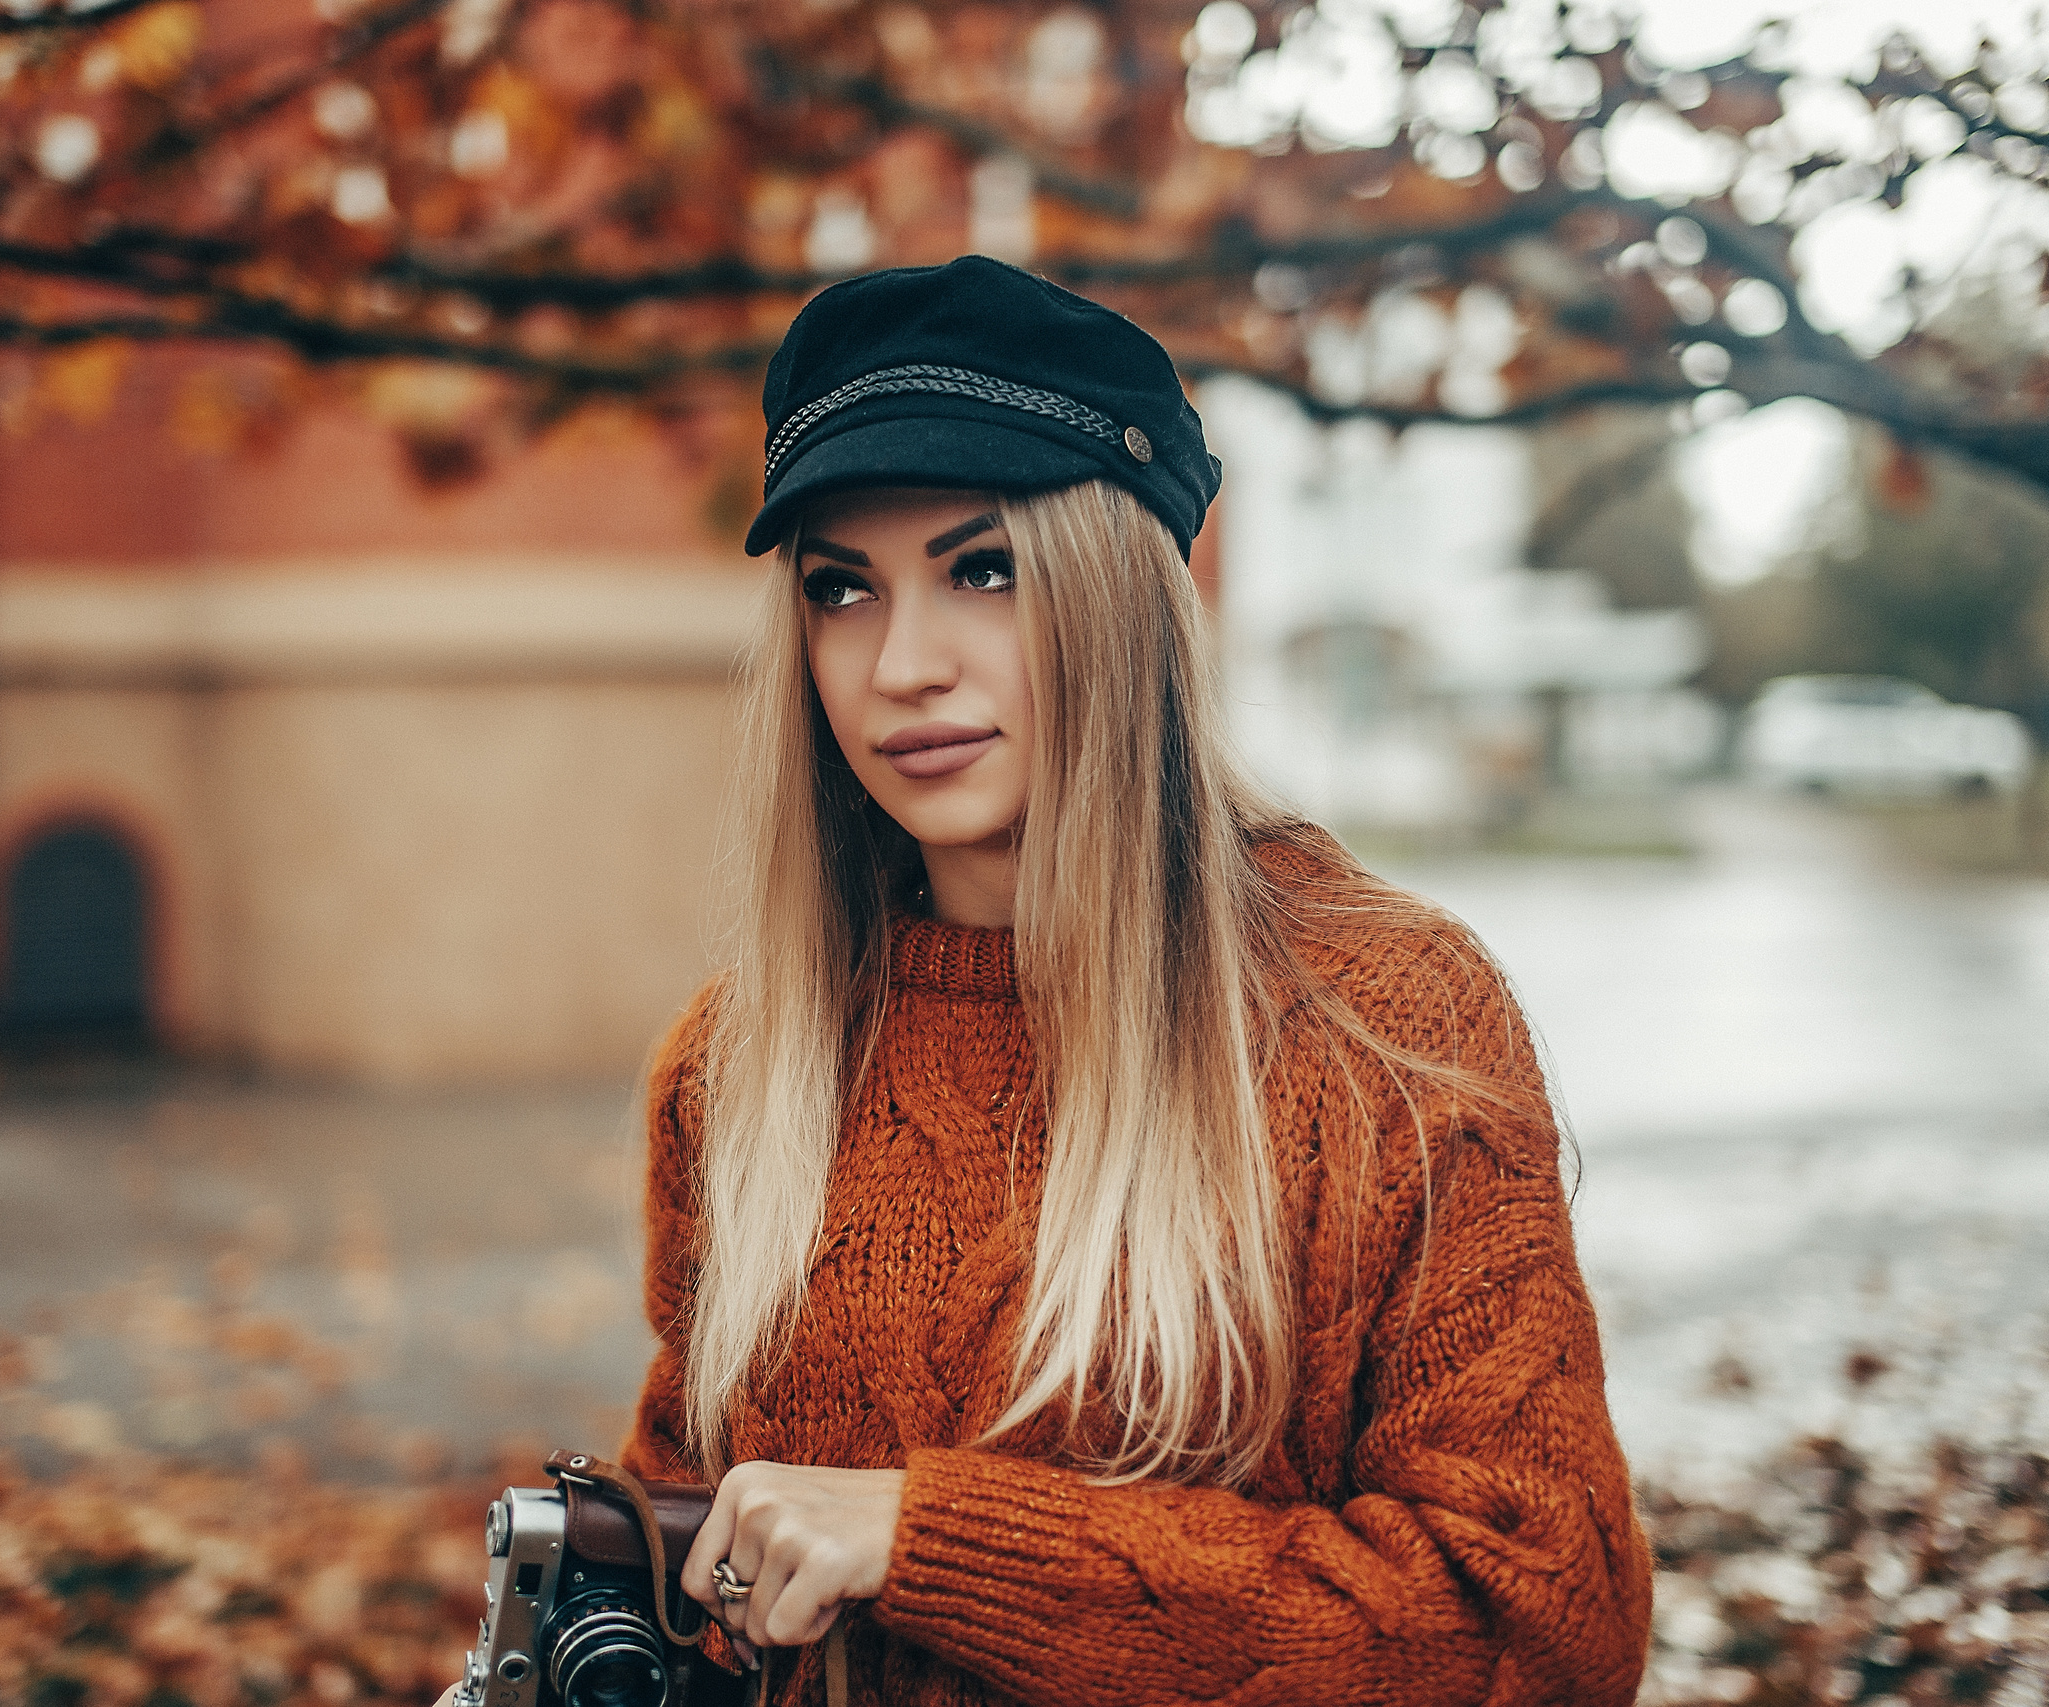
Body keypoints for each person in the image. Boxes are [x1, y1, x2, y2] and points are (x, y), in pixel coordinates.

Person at [628, 256, 1652, 1707]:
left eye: (982, 569)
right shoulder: (742, 1064)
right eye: (841, 590)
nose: (900, 665)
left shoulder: (1388, 1027)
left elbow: (1544, 1626)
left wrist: (946, 1546)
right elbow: (691, 1558)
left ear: (1116, 597)